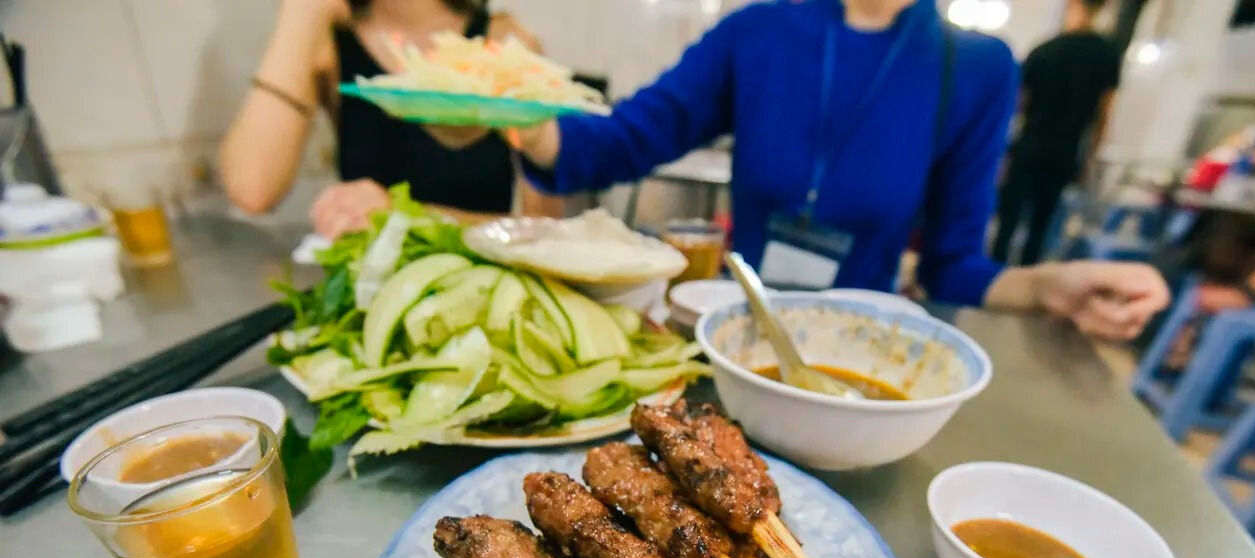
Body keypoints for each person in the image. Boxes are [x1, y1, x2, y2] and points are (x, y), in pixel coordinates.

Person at [509, 0, 1166, 340]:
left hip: (857, 349)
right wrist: (527, 123)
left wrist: (1050, 285)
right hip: (730, 330)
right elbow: (619, 144)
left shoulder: (975, 67)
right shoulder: (757, 33)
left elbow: (952, 266)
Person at [220, 0, 559, 238]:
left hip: (478, 296)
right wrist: (301, 13)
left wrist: (407, 217)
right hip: (374, 297)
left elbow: (543, 231)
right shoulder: (330, 44)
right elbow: (252, 189)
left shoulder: (505, 44)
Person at [990, 0, 1121, 266]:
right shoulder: (1107, 54)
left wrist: (1000, 152)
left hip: (1029, 144)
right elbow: (1103, 114)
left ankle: (993, 277)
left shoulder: (1045, 49)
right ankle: (1024, 283)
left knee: (1008, 220)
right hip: (1066, 149)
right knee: (1042, 224)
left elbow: (1017, 106)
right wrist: (1089, 159)